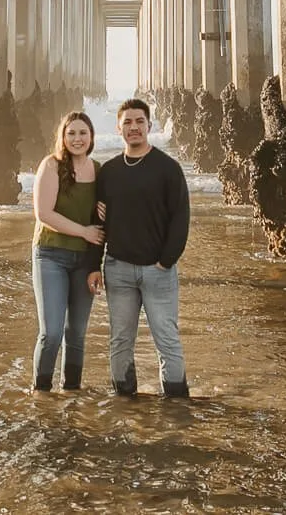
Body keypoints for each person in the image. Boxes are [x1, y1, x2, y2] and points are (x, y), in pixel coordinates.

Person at [93, 97, 190, 398]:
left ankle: (176, 401)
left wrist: (166, 260)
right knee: (120, 340)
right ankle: (125, 400)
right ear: (118, 127)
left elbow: (181, 216)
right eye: (128, 123)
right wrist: (95, 265)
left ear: (149, 125)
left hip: (157, 270)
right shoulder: (108, 171)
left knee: (167, 339)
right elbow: (97, 222)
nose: (133, 127)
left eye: (139, 122)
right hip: (118, 269)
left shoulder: (168, 168)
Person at [29, 110, 105, 392]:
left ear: (91, 137)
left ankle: (71, 394)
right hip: (51, 255)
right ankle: (41, 393)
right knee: (51, 334)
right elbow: (43, 214)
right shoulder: (51, 165)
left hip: (84, 260)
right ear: (62, 137)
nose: (77, 138)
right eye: (71, 133)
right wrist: (84, 231)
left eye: (83, 133)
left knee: (76, 335)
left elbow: (104, 213)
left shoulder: (98, 170)